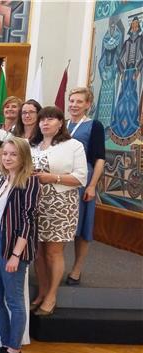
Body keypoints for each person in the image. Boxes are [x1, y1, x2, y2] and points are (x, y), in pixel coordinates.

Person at [0, 137, 41, 353]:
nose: (7, 158)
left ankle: (14, 350)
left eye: (13, 154)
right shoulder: (1, 179)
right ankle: (7, 344)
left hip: (14, 244)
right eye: (4, 154)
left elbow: (28, 220)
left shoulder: (30, 181)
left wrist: (16, 255)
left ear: (23, 157)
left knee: (14, 300)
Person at [29, 107, 87, 316]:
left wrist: (53, 178)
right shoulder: (32, 145)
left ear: (61, 123)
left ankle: (52, 296)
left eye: (51, 119)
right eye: (42, 119)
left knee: (53, 252)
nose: (45, 123)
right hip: (34, 204)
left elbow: (81, 178)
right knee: (37, 253)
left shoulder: (73, 146)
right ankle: (42, 292)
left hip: (60, 204)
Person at [64, 88, 107, 286]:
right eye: (72, 101)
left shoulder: (94, 126)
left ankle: (76, 269)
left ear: (88, 104)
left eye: (79, 101)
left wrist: (92, 186)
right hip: (62, 179)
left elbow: (100, 159)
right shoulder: (62, 124)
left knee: (82, 228)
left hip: (83, 181)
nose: (74, 105)